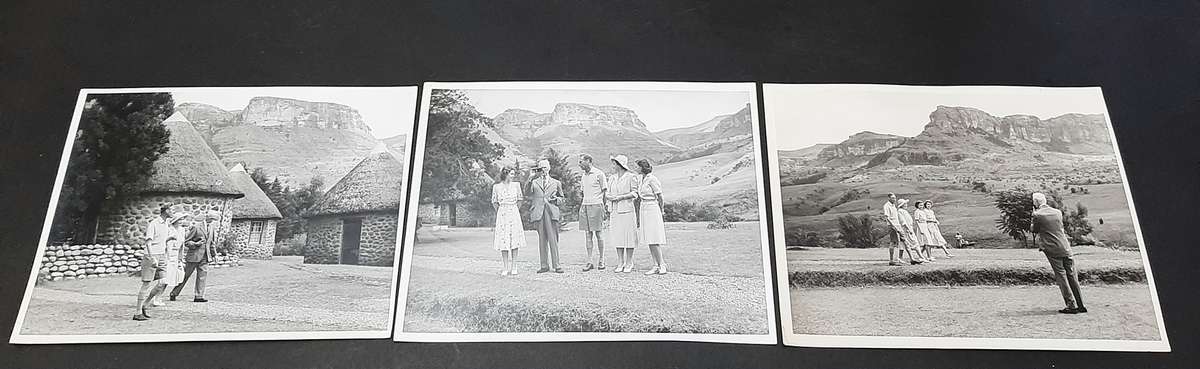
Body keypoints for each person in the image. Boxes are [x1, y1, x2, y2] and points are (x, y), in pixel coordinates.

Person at [1031, 192, 1086, 314]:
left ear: (1035, 202)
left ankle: (1071, 305)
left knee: (1061, 276)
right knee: (1072, 275)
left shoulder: (1037, 214)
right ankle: (1080, 305)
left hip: (1052, 249)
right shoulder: (1058, 212)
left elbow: (1033, 230)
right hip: (1065, 247)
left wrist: (1032, 215)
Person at [134, 205, 173, 321]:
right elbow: (148, 243)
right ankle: (137, 313)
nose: (172, 212)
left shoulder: (166, 224)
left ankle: (145, 304)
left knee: (163, 282)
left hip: (162, 255)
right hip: (151, 256)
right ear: (166, 211)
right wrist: (152, 258)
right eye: (171, 210)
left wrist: (169, 239)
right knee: (146, 284)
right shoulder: (154, 223)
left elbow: (160, 240)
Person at [171, 210, 218, 302]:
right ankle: (174, 293)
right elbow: (187, 242)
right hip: (194, 256)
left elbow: (211, 243)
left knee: (202, 276)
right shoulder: (196, 227)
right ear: (207, 217)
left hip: (205, 256)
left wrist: (214, 254)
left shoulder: (212, 227)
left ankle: (199, 296)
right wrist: (196, 244)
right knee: (185, 276)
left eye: (214, 219)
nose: (212, 221)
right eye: (211, 218)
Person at [526, 159, 563, 273]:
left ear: (549, 168)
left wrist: (556, 199)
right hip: (539, 212)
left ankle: (557, 265)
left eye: (545, 167)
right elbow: (527, 193)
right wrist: (530, 178)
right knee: (542, 239)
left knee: (553, 239)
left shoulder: (556, 182)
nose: (543, 170)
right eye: (541, 168)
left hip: (551, 212)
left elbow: (562, 198)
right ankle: (544, 265)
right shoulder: (534, 182)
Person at [606, 155, 639, 273]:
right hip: (615, 211)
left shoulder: (631, 177)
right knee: (618, 236)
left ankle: (629, 262)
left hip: (627, 210)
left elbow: (635, 193)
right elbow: (607, 192)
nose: (613, 166)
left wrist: (621, 197)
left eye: (614, 163)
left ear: (619, 165)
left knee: (629, 236)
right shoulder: (612, 178)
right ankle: (620, 262)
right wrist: (610, 197)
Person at [634, 159, 668, 275]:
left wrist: (661, 210)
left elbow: (660, 196)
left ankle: (662, 264)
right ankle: (655, 265)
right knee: (649, 238)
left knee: (654, 237)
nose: (635, 168)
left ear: (642, 167)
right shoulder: (641, 179)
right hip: (643, 208)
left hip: (652, 208)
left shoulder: (652, 179)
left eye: (637, 166)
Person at [491, 166, 526, 275]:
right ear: (505, 174)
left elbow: (520, 199)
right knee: (504, 240)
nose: (513, 176)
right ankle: (505, 267)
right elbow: (494, 202)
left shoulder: (516, 185)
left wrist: (514, 210)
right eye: (511, 174)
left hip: (514, 213)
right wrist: (502, 211)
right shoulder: (497, 187)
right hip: (502, 214)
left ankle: (514, 266)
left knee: (514, 240)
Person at [577, 154, 608, 271]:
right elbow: (583, 192)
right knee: (587, 234)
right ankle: (589, 261)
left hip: (597, 205)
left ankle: (601, 260)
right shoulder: (583, 176)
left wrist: (604, 207)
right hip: (585, 205)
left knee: (599, 233)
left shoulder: (599, 174)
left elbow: (605, 192)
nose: (579, 164)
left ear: (588, 161)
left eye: (581, 162)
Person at [155, 214, 191, 306]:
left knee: (170, 279)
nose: (181, 221)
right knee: (163, 279)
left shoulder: (182, 230)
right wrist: (166, 257)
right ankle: (156, 297)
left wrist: (180, 258)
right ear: (175, 221)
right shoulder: (168, 229)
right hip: (167, 255)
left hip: (175, 256)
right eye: (179, 219)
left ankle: (159, 297)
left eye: (182, 219)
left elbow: (182, 246)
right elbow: (163, 243)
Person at [882, 193, 916, 265]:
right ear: (889, 198)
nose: (894, 199)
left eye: (895, 198)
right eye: (892, 198)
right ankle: (891, 260)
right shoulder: (886, 206)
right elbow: (887, 218)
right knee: (893, 242)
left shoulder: (893, 206)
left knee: (905, 241)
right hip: (892, 226)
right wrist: (893, 226)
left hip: (898, 225)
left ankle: (912, 259)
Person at [896, 199, 926, 264]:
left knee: (904, 243)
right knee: (912, 242)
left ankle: (901, 258)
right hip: (906, 229)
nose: (906, 205)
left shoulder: (904, 211)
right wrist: (908, 229)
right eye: (904, 204)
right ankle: (920, 257)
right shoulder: (900, 211)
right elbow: (903, 222)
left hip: (908, 228)